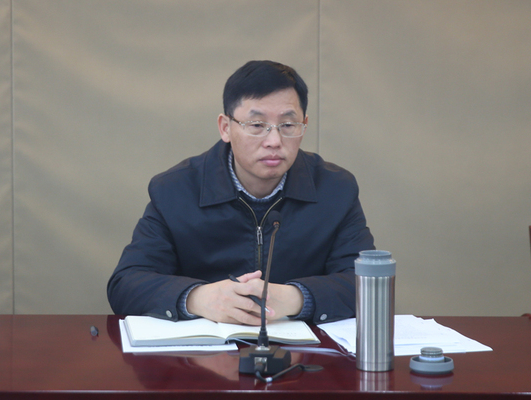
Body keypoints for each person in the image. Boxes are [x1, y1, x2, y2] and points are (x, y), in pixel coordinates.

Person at [107, 60, 374, 326]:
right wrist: (197, 298)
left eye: (287, 125)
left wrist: (296, 298)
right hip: (204, 350)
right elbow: (127, 283)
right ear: (225, 127)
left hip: (301, 350)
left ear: (303, 126)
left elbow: (367, 283)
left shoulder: (336, 189)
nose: (274, 141)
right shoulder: (174, 190)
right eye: (256, 125)